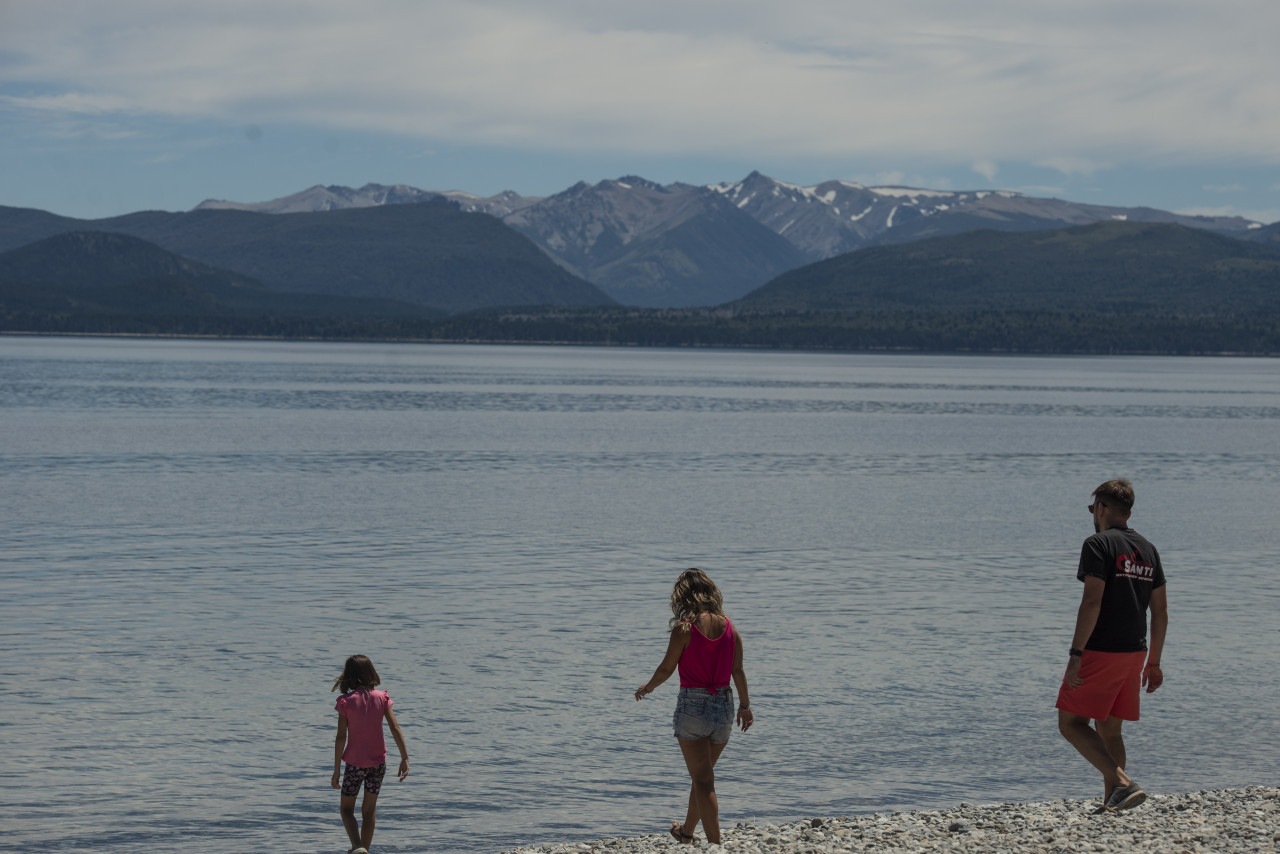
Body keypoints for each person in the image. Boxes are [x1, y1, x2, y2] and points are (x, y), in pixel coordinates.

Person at [1056, 479, 1167, 812]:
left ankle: (1122, 783)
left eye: (1092, 509)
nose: (1093, 515)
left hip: (1102, 648)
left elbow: (1092, 601)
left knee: (1071, 723)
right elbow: (1160, 612)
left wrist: (1076, 654)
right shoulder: (1148, 549)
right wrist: (1155, 662)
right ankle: (1114, 802)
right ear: (1128, 513)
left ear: (1101, 509)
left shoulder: (1097, 544)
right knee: (1109, 728)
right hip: (1135, 650)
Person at [635, 568, 754, 845]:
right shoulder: (730, 628)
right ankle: (686, 833)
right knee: (703, 776)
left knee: (703, 780)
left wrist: (647, 687)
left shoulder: (684, 629)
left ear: (684, 596)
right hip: (724, 707)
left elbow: (667, 668)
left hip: (694, 707)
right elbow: (738, 671)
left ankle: (715, 844)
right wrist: (745, 706)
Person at [331, 655, 410, 854]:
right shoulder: (382, 697)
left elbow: (341, 737)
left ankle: (357, 846)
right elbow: (395, 727)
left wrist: (336, 770)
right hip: (378, 764)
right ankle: (364, 850)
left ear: (349, 676)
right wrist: (405, 757)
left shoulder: (345, 702)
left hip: (354, 764)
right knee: (369, 811)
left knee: (346, 809)